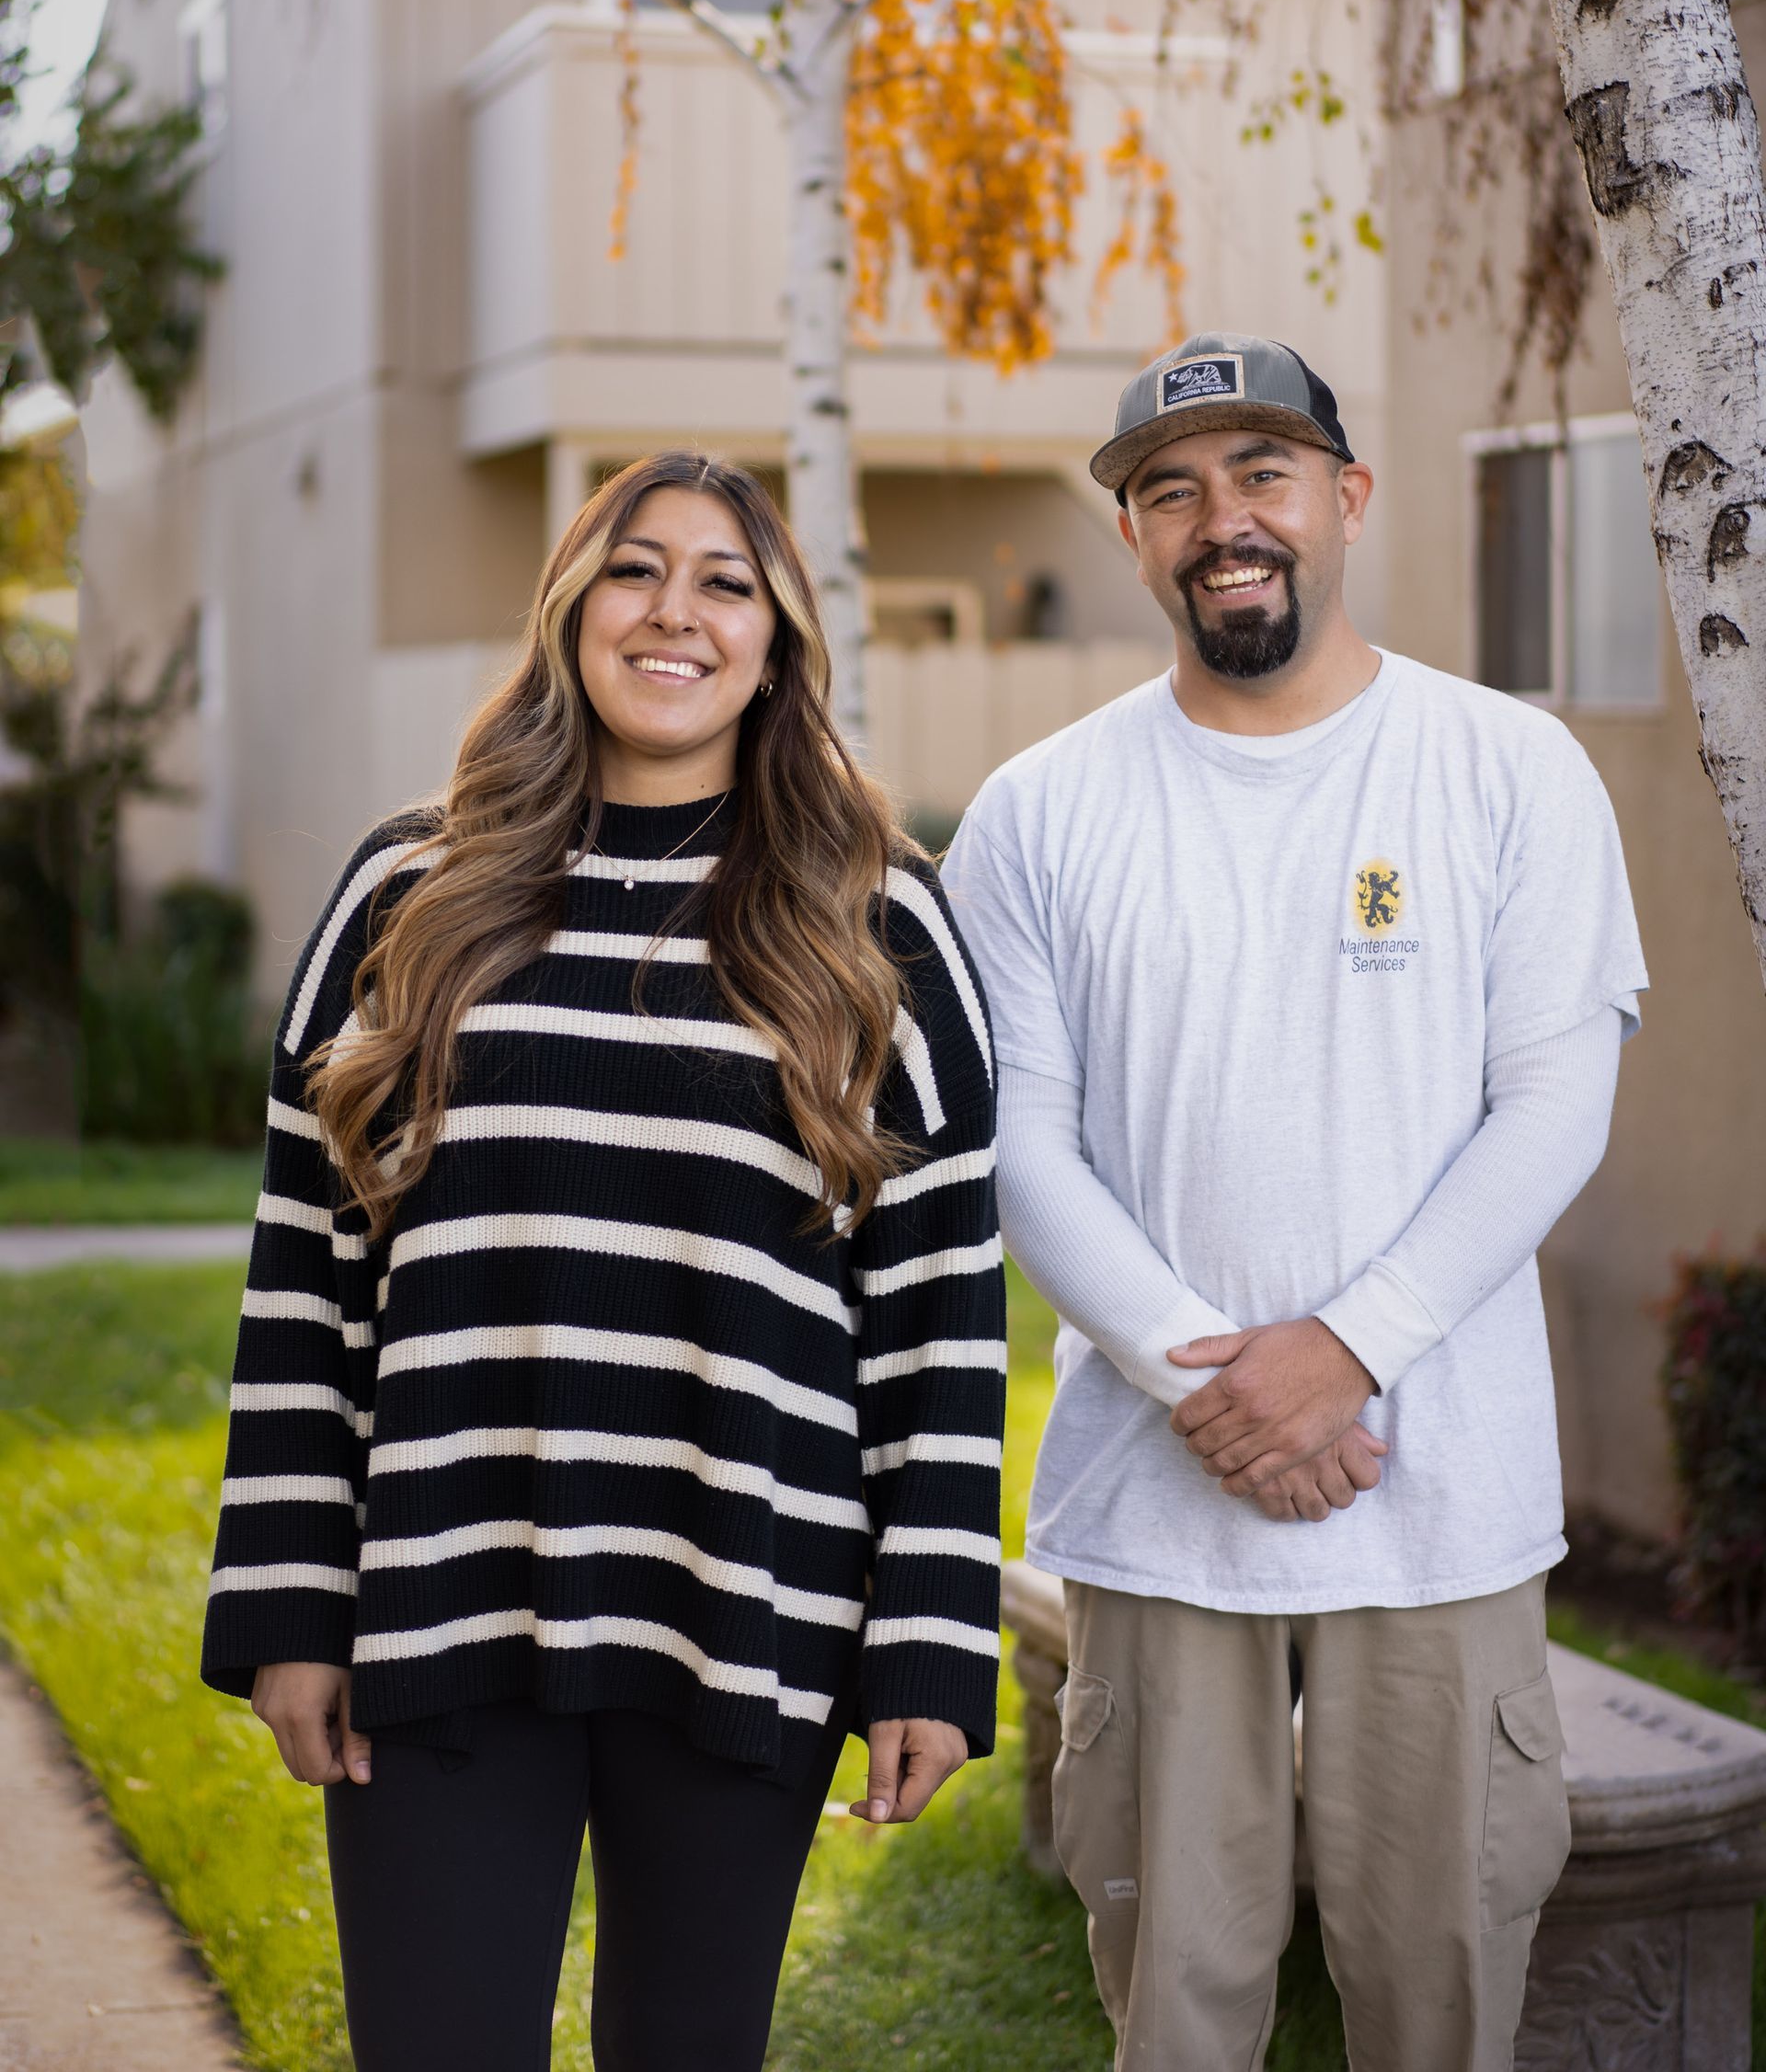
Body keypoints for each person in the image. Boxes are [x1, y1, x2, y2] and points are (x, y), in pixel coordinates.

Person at [201, 451, 1004, 2072]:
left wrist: (925, 1637)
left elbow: (940, 1316)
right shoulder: (406, 892)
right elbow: (305, 1276)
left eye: (727, 582)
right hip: (438, 1604)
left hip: (746, 1599)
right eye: (637, 569)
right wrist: (290, 1594)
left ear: (777, 640)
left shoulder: (877, 918)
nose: (677, 613)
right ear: (571, 611)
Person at [943, 332, 1646, 2072]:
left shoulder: (1507, 769)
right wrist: (1217, 1385)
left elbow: (1553, 1103)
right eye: (1170, 490)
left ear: (1347, 497)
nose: (1221, 521)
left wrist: (1347, 1351)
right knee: (1175, 2013)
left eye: (1263, 475)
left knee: (1442, 1997)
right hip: (1161, 1510)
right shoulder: (1039, 815)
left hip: (1439, 1497)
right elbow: (1020, 1143)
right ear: (1133, 540)